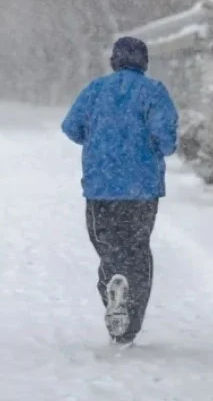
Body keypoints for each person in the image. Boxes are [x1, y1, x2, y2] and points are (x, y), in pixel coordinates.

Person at [61, 36, 178, 345]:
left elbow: (71, 127)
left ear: (113, 60)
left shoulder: (96, 90)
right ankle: (130, 323)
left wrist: (98, 139)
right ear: (144, 62)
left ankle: (114, 286)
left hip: (100, 187)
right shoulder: (154, 92)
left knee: (109, 247)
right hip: (141, 189)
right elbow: (166, 139)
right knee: (137, 248)